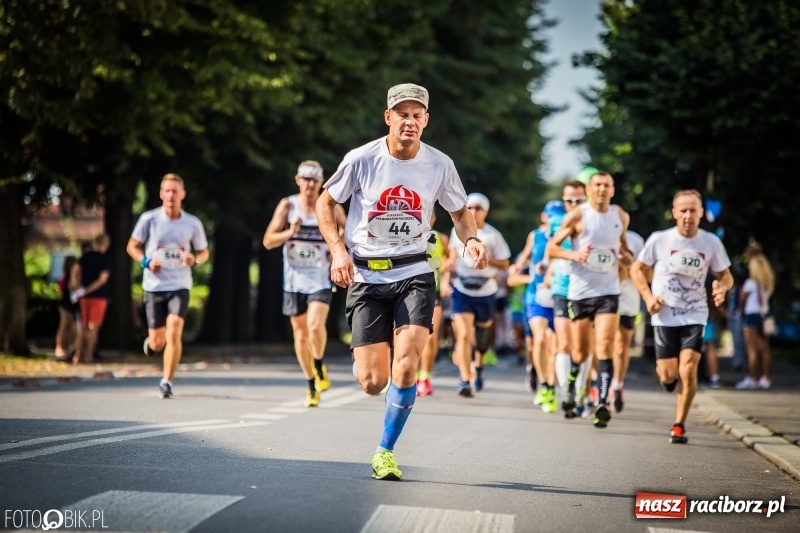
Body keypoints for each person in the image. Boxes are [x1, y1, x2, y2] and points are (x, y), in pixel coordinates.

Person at [316, 83, 488, 481]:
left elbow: (460, 213)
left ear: (426, 121)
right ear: (388, 117)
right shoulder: (362, 159)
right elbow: (327, 202)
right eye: (402, 114)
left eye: (417, 115)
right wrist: (338, 251)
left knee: (407, 365)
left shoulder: (439, 164)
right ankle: (378, 369)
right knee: (373, 381)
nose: (409, 121)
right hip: (366, 274)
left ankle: (385, 451)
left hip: (414, 271)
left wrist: (473, 239)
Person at [630, 189, 733, 444]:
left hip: (695, 314)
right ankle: (668, 382)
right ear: (675, 213)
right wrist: (648, 298)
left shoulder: (710, 242)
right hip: (664, 315)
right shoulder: (660, 239)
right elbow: (637, 270)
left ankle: (679, 425)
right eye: (683, 210)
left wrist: (722, 287)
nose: (688, 215)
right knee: (667, 375)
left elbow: (726, 275)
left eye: (693, 210)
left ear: (701, 213)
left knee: (688, 369)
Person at [546, 171, 633, 428]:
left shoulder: (620, 216)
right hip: (580, 293)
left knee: (605, 346)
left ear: (613, 190)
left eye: (607, 185)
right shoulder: (578, 215)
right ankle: (572, 386)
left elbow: (623, 246)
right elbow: (552, 248)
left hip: (608, 291)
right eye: (597, 185)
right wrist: (575, 256)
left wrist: (626, 257)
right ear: (590, 189)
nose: (602, 189)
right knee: (581, 351)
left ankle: (602, 401)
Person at [263, 161, 345, 407]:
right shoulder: (288, 205)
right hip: (293, 280)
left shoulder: (329, 205)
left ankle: (318, 362)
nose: (310, 184)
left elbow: (347, 229)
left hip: (319, 278)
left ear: (321, 183)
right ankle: (311, 383)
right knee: (300, 336)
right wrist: (290, 232)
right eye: (306, 179)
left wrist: (336, 246)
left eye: (315, 180)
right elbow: (268, 240)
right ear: (297, 180)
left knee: (314, 324)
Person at [126, 173, 209, 399]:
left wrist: (196, 260)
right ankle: (152, 344)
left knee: (174, 331)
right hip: (154, 286)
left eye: (175, 191)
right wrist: (145, 261)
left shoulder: (192, 223)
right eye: (167, 191)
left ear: (183, 194)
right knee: (158, 340)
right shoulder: (149, 219)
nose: (171, 195)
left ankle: (167, 381)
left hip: (180, 285)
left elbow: (203, 252)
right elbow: (132, 246)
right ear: (161, 194)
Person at [449, 193, 511, 396]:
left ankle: (479, 366)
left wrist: (485, 258)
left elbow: (504, 264)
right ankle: (465, 380)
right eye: (470, 207)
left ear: (486, 211)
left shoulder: (493, 236)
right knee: (464, 335)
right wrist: (444, 276)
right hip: (462, 288)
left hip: (486, 290)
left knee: (482, 339)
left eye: (478, 208)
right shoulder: (457, 231)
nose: (474, 211)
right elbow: (451, 257)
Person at [509, 200, 564, 413]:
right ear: (544, 217)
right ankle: (545, 383)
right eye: (551, 217)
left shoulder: (565, 235)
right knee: (539, 339)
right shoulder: (536, 236)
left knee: (554, 344)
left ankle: (550, 384)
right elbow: (525, 255)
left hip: (558, 294)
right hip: (535, 295)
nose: (554, 221)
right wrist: (518, 266)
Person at [416, 212, 449, 396]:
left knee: (431, 336)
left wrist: (446, 277)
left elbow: (448, 259)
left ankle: (424, 377)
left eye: (430, 216)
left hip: (432, 290)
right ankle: (407, 375)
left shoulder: (439, 238)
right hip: (407, 290)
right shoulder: (403, 235)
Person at [612, 229, 645, 411]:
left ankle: (617, 384)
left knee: (621, 347)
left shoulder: (635, 239)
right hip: (604, 297)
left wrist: (628, 267)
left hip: (629, 301)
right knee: (604, 345)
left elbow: (645, 271)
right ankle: (602, 384)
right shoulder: (599, 233)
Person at [735, 252, 775, 390]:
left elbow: (742, 299)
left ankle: (751, 378)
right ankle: (765, 378)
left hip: (751, 315)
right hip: (764, 315)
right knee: (765, 349)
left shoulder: (750, 283)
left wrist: (739, 309)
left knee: (751, 349)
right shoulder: (768, 284)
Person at [72, 234, 112, 365]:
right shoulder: (105, 259)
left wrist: (77, 286)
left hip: (83, 297)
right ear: (106, 244)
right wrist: (88, 289)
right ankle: (88, 356)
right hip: (99, 297)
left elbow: (75, 269)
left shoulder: (85, 256)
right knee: (93, 327)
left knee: (82, 326)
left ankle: (77, 356)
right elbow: (102, 280)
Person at [54, 255, 81, 361]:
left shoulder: (67, 276)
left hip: (71, 305)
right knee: (64, 326)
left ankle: (68, 347)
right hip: (67, 304)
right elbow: (71, 287)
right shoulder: (68, 276)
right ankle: (59, 347)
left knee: (71, 328)